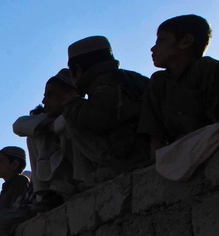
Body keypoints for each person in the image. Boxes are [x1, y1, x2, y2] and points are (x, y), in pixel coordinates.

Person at [61, 36, 150, 188]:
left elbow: (91, 119)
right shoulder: (129, 77)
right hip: (140, 147)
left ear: (78, 69)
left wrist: (72, 102)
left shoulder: (106, 84)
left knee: (71, 115)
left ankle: (98, 174)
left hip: (129, 155)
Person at [139, 15, 219, 153]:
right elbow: (154, 133)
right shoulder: (159, 81)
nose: (153, 48)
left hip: (210, 147)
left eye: (161, 40)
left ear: (185, 42)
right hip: (178, 153)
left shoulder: (207, 68)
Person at [13, 70, 79, 210]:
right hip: (54, 190)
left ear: (70, 94)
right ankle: (46, 193)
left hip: (77, 181)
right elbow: (18, 126)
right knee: (36, 133)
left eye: (50, 95)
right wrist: (49, 125)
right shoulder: (48, 121)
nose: (44, 101)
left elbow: (62, 124)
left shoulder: (77, 113)